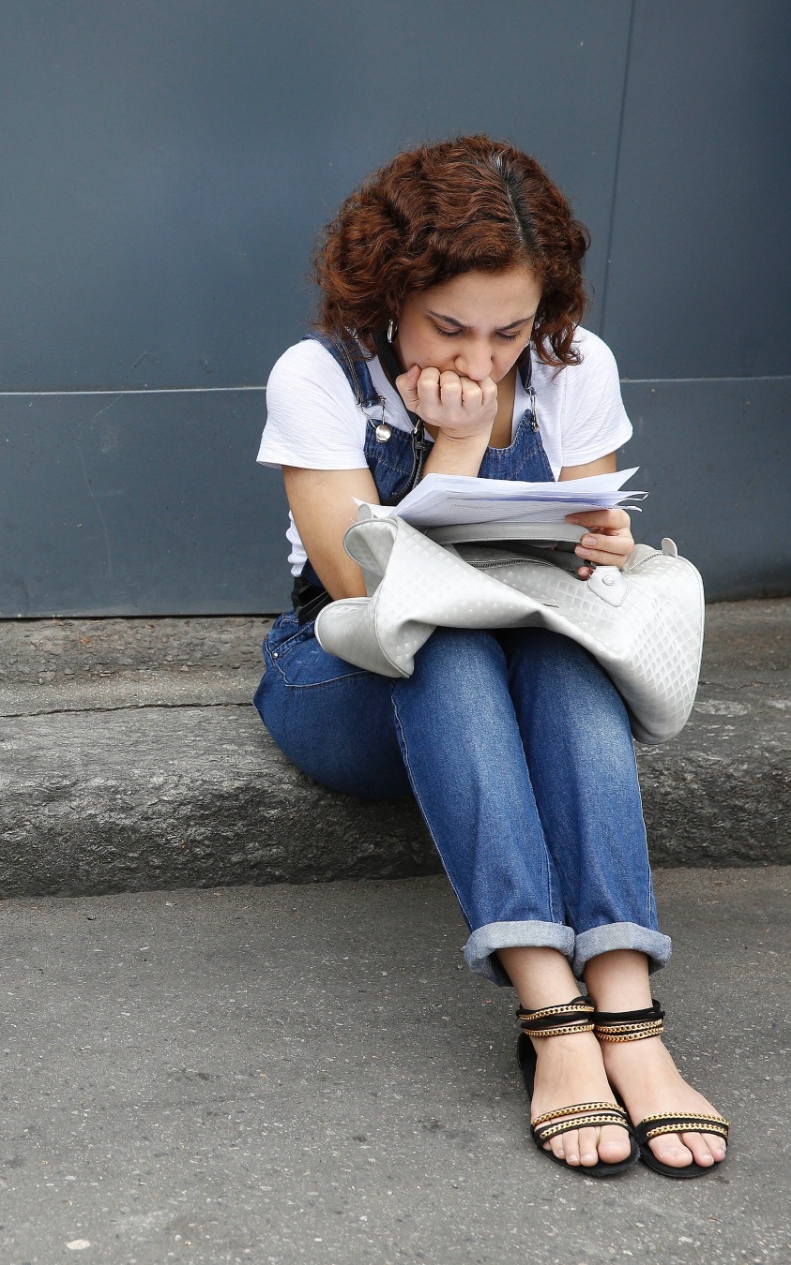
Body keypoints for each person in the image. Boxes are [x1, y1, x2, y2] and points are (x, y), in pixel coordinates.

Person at [252, 137, 728, 1178]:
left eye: (511, 330)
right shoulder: (321, 374)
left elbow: (593, 545)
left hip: (528, 645)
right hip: (349, 676)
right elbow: (364, 593)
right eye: (449, 328)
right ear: (390, 293)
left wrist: (609, 549)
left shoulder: (574, 366)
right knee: (452, 643)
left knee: (561, 654)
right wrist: (455, 447)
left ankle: (626, 1006)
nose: (480, 360)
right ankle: (552, 1021)